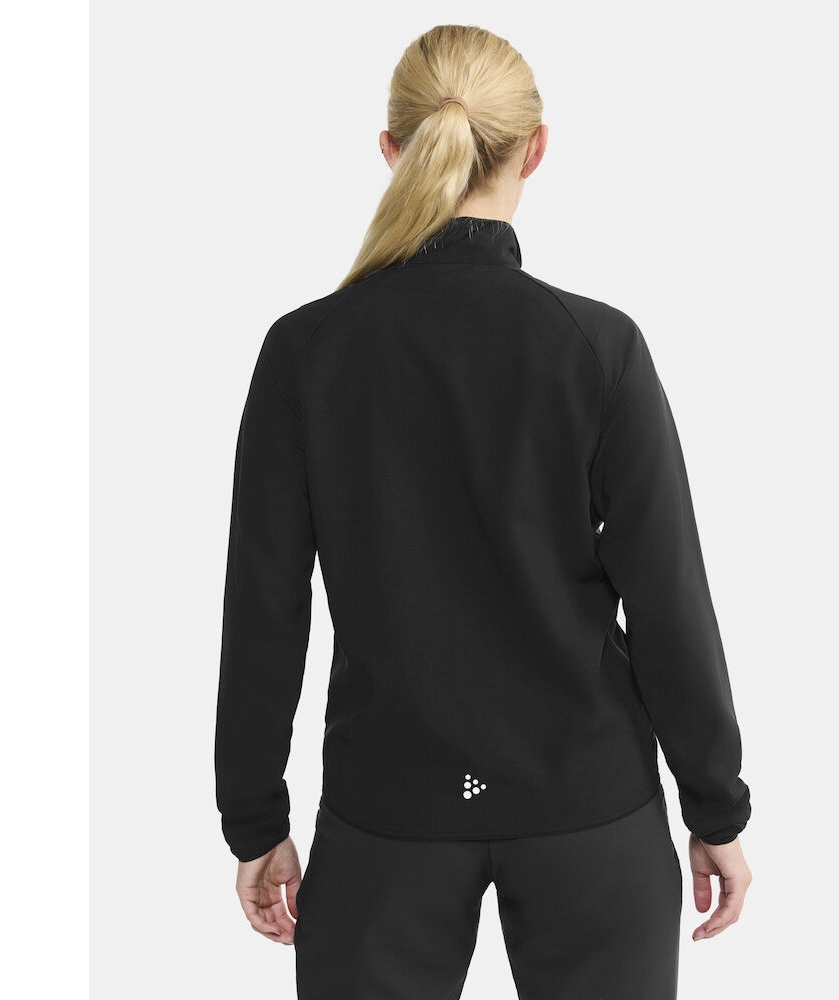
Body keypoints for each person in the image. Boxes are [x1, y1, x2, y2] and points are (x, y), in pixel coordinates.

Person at [214, 23, 753, 999]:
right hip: (590, 807)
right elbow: (668, 596)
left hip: (387, 815)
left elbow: (264, 607)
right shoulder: (597, 348)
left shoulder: (307, 353)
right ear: (535, 149)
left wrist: (255, 820)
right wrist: (714, 806)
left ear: (392, 149)